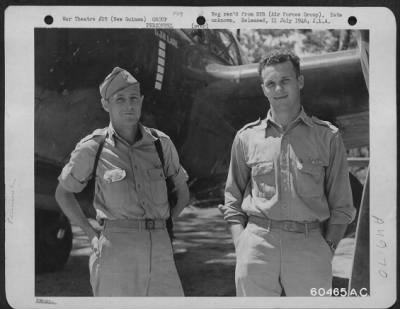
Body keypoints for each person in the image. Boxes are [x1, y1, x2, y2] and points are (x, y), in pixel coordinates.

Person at [219, 50, 356, 296]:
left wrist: (328, 247)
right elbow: (232, 198)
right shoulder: (246, 138)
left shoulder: (327, 137)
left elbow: (343, 205)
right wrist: (241, 243)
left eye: (285, 81)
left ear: (300, 82)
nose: (278, 89)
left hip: (310, 246)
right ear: (263, 89)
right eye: (270, 83)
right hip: (257, 246)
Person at [55, 67, 190, 296]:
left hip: (160, 251)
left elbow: (183, 193)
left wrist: (165, 226)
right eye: (120, 99)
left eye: (134, 99)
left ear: (142, 101)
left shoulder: (161, 144)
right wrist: (91, 234)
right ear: (106, 104)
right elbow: (63, 193)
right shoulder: (92, 147)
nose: (129, 106)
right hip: (115, 250)